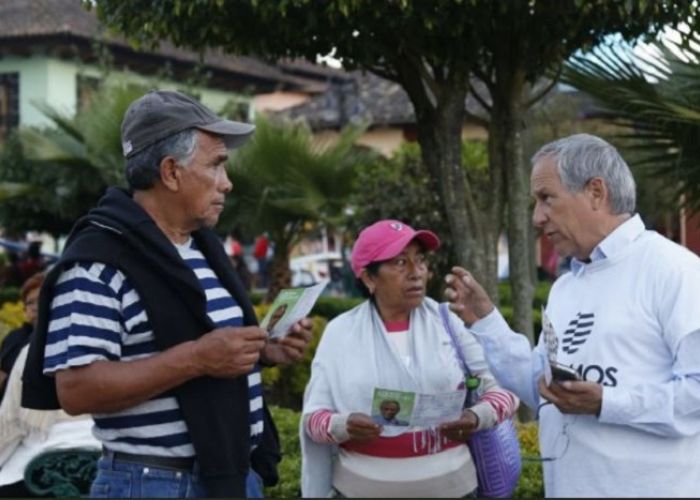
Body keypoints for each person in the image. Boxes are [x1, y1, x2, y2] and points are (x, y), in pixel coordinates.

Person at [21, 90, 313, 499]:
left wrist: (262, 351)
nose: (227, 184)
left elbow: (204, 348)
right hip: (154, 484)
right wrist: (197, 358)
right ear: (171, 172)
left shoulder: (202, 249)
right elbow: (77, 389)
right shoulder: (101, 260)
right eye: (216, 165)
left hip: (227, 478)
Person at [444, 133, 700, 497]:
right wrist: (485, 320)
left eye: (547, 198)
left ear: (596, 192)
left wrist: (607, 403)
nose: (536, 217)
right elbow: (542, 386)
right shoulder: (567, 286)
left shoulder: (675, 272)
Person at [301, 219, 519, 498]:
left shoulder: (449, 322)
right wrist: (343, 425)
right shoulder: (340, 332)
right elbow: (313, 420)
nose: (417, 273)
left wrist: (475, 417)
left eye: (420, 260)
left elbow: (504, 393)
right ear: (369, 278)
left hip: (454, 489)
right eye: (401, 263)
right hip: (361, 490)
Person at [0, 344, 100, 497]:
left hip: (34, 469)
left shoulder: (34, 349)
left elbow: (9, 426)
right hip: (110, 462)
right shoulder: (134, 344)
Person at [0, 272, 44, 403]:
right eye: (30, 302)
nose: (36, 307)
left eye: (41, 300)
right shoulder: (14, 336)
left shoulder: (55, 339)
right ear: (24, 310)